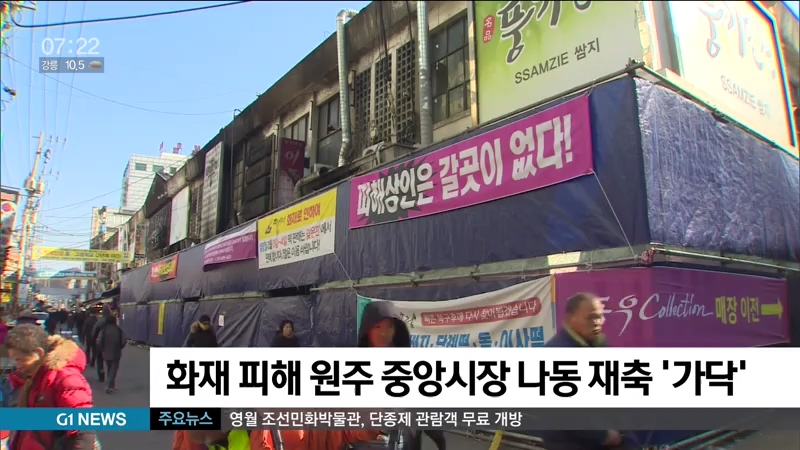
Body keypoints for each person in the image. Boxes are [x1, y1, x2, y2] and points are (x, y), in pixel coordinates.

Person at [539, 292, 624, 450]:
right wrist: (602, 435)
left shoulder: (598, 345)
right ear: (570, 319)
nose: (597, 322)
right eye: (590, 318)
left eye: (600, 316)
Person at [358, 300, 446, 450]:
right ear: (368, 330)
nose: (384, 333)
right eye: (377, 327)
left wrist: (439, 440)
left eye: (389, 327)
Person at [3, 324, 96, 450]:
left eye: (20, 360)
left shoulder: (64, 378)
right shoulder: (32, 378)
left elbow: (82, 429)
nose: (17, 366)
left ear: (39, 353)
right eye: (15, 360)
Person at [96, 312, 127, 393]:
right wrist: (120, 347)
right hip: (116, 352)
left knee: (109, 367)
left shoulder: (103, 330)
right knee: (114, 369)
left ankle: (110, 385)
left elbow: (99, 341)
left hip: (105, 352)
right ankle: (110, 385)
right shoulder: (118, 330)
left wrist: (102, 348)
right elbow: (124, 340)